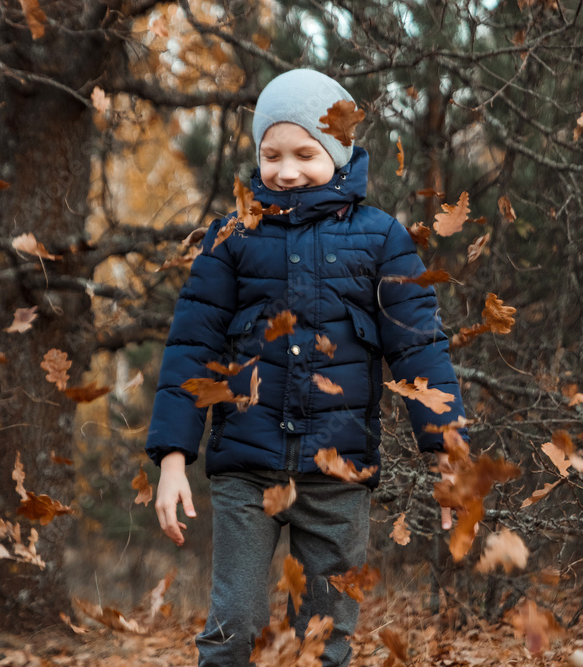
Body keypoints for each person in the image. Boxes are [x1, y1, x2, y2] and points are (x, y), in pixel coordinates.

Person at [145, 68, 468, 667]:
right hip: (246, 468)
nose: (286, 171)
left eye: (305, 154)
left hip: (338, 475)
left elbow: (421, 348)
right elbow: (190, 349)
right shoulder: (231, 239)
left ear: (339, 154)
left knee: (323, 638)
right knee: (233, 627)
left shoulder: (381, 239)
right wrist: (171, 458)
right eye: (271, 154)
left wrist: (446, 451)